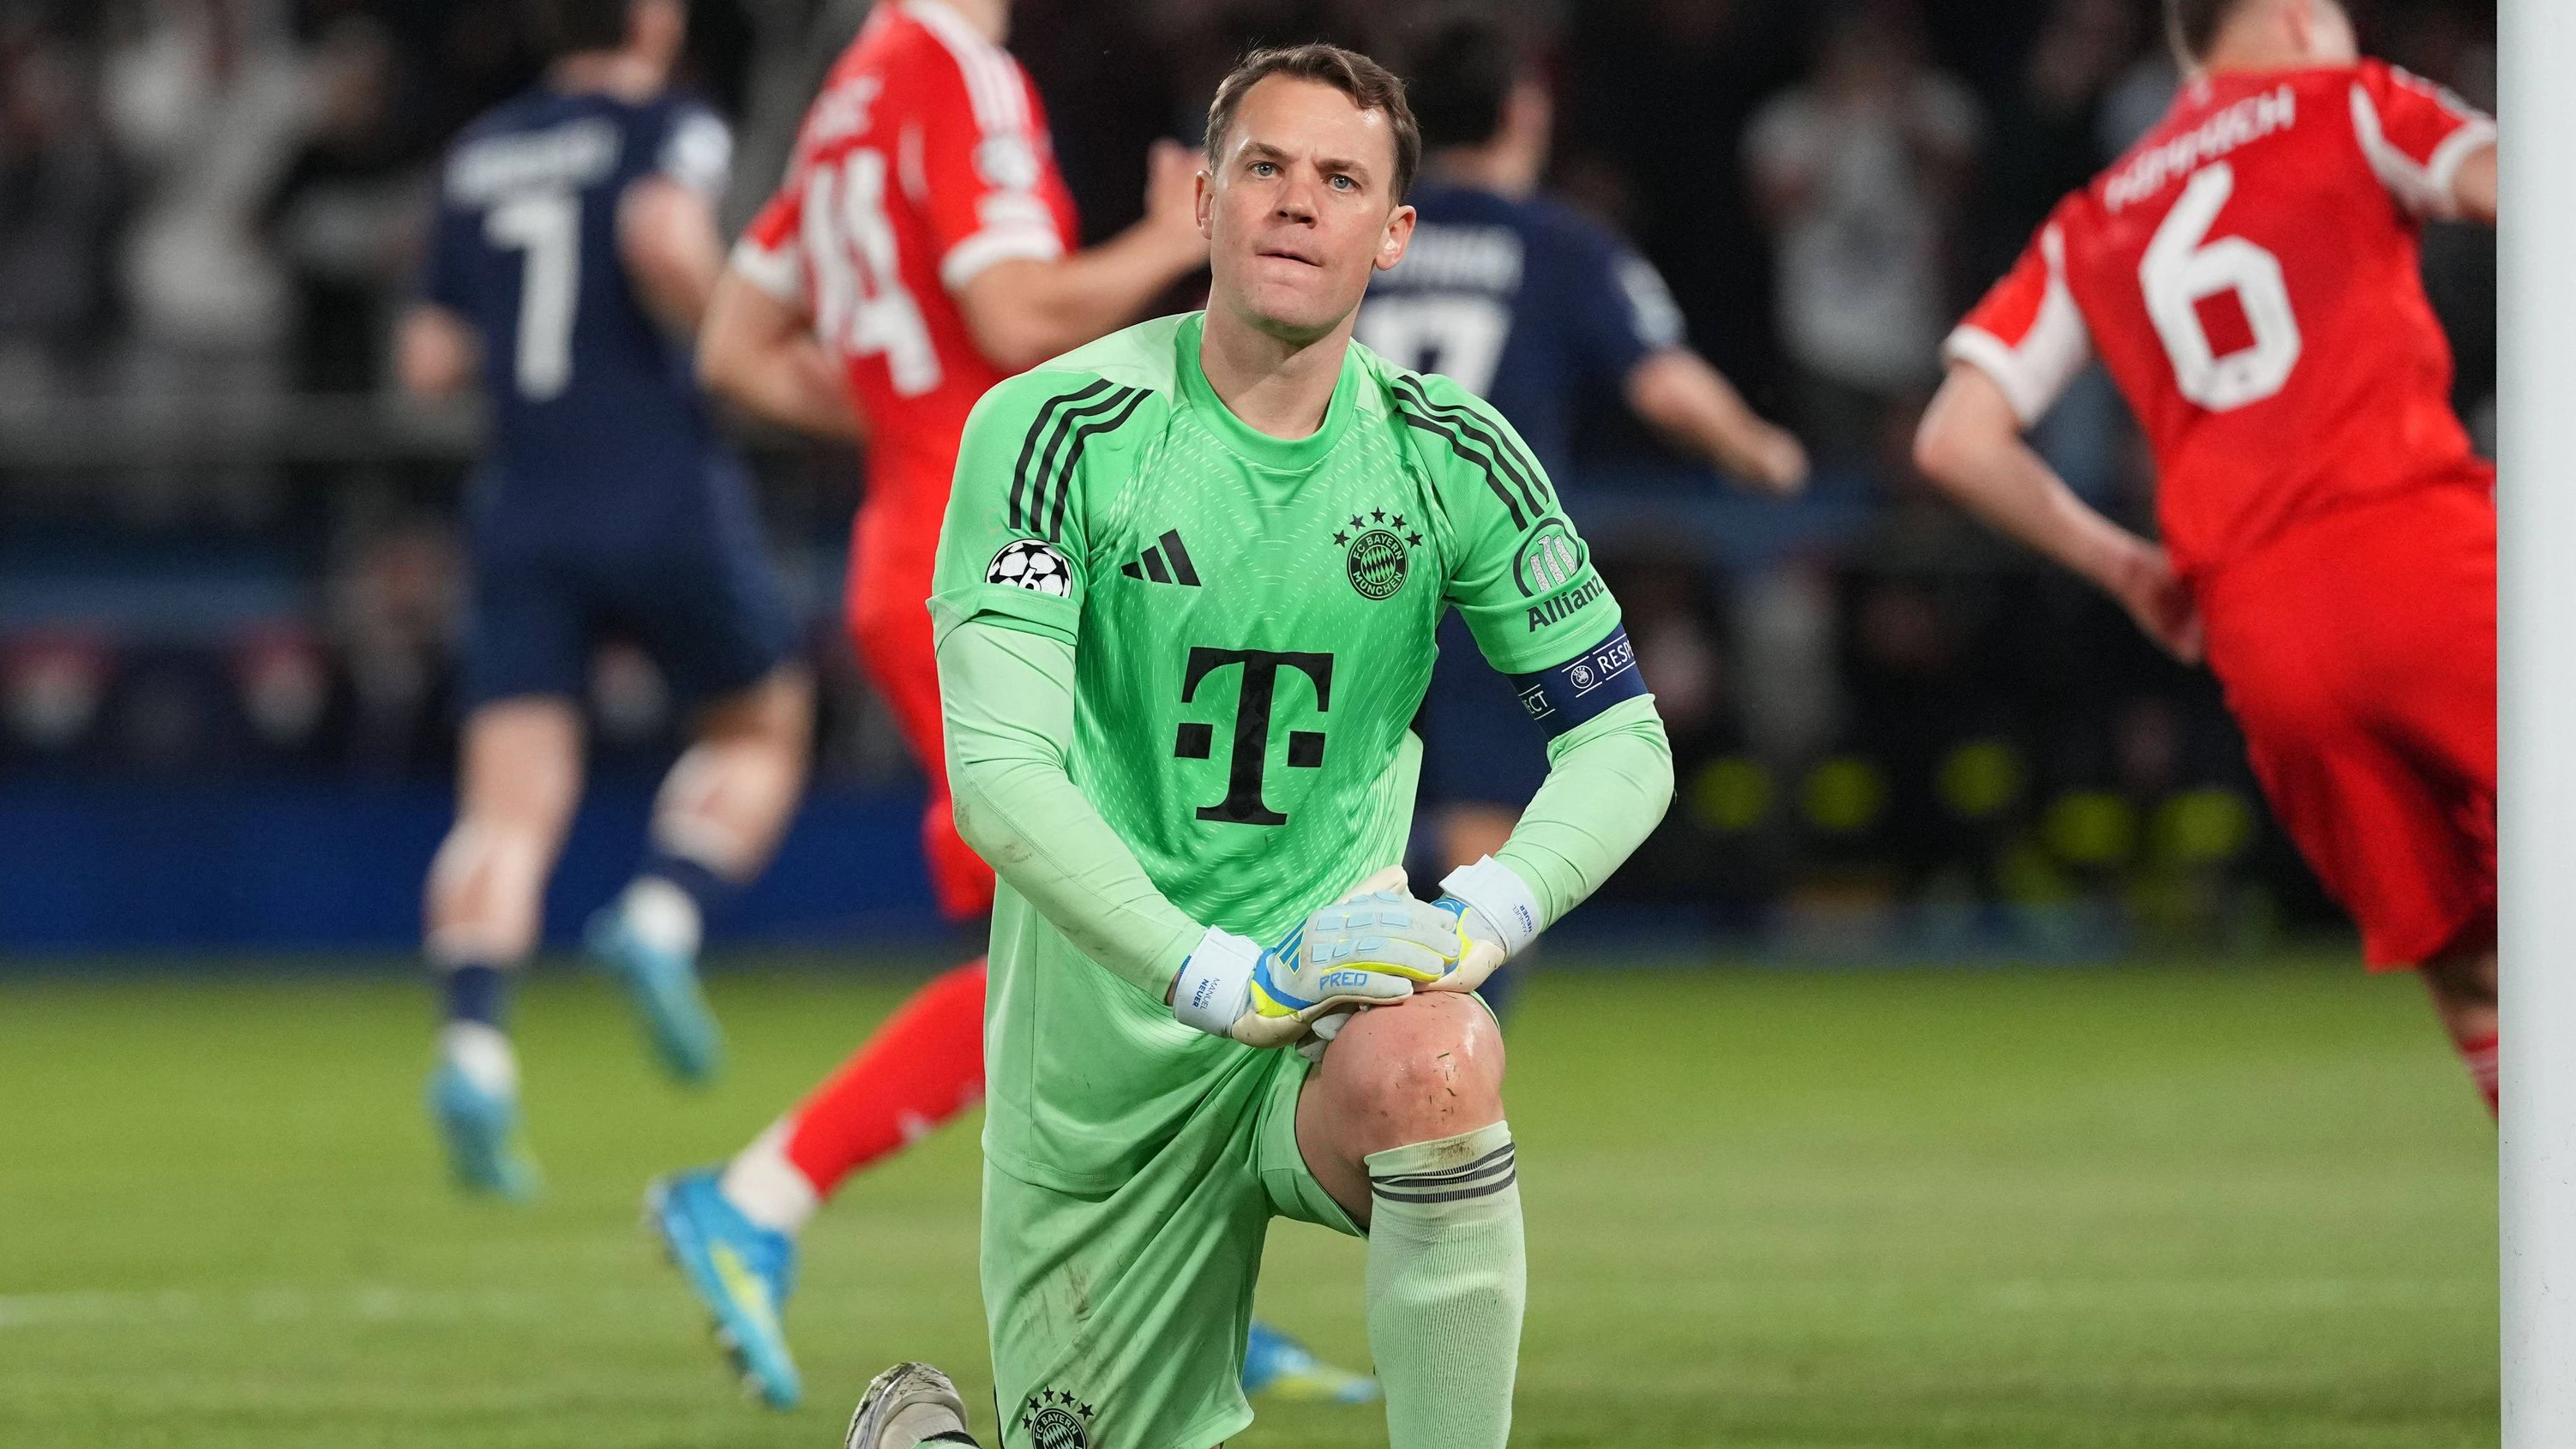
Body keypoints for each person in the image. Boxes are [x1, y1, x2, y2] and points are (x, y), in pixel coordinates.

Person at [841, 43, 1673, 1449]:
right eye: (1265, 169)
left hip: (1323, 1028)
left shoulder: (1449, 453)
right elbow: (1001, 776)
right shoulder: (1054, 431)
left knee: (1442, 1058)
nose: (1299, 203)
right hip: (1109, 1068)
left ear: (1394, 233)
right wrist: (1218, 974)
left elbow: (1624, 742)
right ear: (1204, 206)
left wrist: (1477, 916)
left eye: (1342, 179)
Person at [635, 0, 1372, 1410]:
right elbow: (1012, 311)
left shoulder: (852, 90)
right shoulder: (955, 71)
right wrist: (1176, 235)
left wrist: (923, 430)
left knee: (1117, 948)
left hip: (922, 540)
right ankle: (762, 1194)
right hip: (1009, 558)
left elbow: (736, 347)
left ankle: (1172, 1291)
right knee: (1109, 953)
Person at [1912, 0, 2498, 1110]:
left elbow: (1953, 438)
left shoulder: (2098, 215)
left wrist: (2126, 567)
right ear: (2292, 18)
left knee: (2472, 965)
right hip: (2419, 544)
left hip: (2263, 630)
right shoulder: (2352, 101)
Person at [399, 0, 815, 1199]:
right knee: (760, 723)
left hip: (525, 502)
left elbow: (429, 360)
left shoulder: (479, 151)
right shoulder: (665, 121)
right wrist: (743, 342)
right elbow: (662, 241)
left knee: (507, 806)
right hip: (663, 487)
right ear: (649, 19)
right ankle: (665, 912)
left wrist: (543, 351)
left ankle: (474, 1046)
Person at [1355, 15, 1804, 1012]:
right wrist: (1758, 450)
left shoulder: (1373, 231)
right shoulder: (1557, 243)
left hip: (1342, 551)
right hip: (1483, 563)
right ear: (1524, 113)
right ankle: (1450, 1058)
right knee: (1489, 825)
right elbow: (1662, 387)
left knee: (1336, 791)